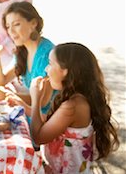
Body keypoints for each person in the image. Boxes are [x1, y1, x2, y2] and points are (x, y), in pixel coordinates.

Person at [30, 43, 119, 173]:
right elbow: (51, 122)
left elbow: (38, 137)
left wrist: (35, 99)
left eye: (50, 64)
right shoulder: (78, 99)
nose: (46, 69)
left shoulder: (72, 107)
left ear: (65, 71)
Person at [0, 1, 55, 119]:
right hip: (30, 114)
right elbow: (1, 80)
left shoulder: (47, 54)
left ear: (33, 24)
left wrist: (8, 95)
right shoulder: (23, 50)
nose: (11, 31)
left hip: (46, 120)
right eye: (8, 26)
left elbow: (43, 101)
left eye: (16, 24)